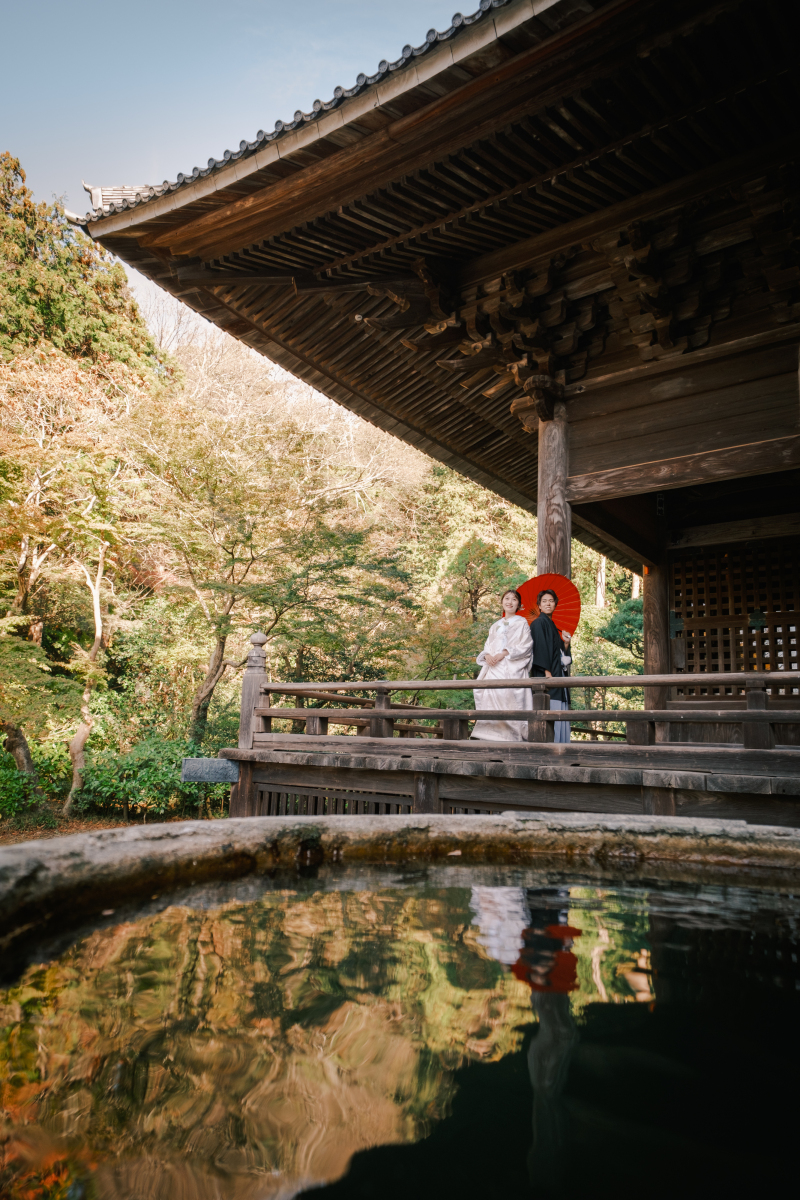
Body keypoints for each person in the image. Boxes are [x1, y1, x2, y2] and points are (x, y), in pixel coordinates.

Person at [471, 589, 533, 742]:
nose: (510, 602)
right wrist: (487, 655)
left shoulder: (521, 622)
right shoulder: (495, 625)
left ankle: (511, 736)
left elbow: (526, 645)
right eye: (506, 598)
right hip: (494, 667)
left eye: (514, 599)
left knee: (508, 697)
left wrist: (504, 653)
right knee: (489, 696)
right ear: (502, 602)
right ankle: (488, 735)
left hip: (511, 666)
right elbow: (488, 645)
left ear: (518, 604)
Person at [530, 588, 572, 743]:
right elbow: (540, 649)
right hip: (549, 679)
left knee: (560, 715)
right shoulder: (538, 623)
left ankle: (561, 749)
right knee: (551, 715)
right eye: (544, 601)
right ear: (539, 606)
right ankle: (553, 750)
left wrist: (566, 644)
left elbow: (560, 654)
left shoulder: (552, 625)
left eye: (551, 600)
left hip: (558, 677)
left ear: (555, 604)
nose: (548, 603)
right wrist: (547, 673)